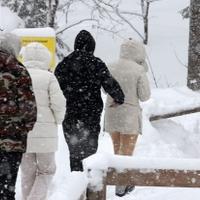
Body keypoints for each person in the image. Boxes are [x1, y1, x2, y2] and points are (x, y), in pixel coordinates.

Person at [55, 30, 125, 172]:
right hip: (90, 113)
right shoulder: (96, 63)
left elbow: (54, 88)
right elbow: (109, 83)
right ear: (91, 46)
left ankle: (76, 181)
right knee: (89, 153)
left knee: (74, 153)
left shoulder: (63, 64)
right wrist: (119, 98)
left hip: (70, 114)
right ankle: (89, 186)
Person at [104, 39, 151, 197]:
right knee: (127, 151)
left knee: (117, 150)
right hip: (129, 115)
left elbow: (105, 91)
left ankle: (120, 180)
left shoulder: (110, 66)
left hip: (112, 112)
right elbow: (145, 96)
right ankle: (121, 184)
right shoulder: (138, 70)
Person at [19, 42, 66, 200]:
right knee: (47, 171)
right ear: (46, 58)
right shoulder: (49, 77)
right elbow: (58, 103)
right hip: (45, 134)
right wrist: (58, 119)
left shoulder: (18, 74)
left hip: (22, 133)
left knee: (27, 172)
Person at [0, 32, 37, 200]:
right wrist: (24, 128)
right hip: (11, 139)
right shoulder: (18, 71)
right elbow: (28, 109)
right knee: (6, 187)